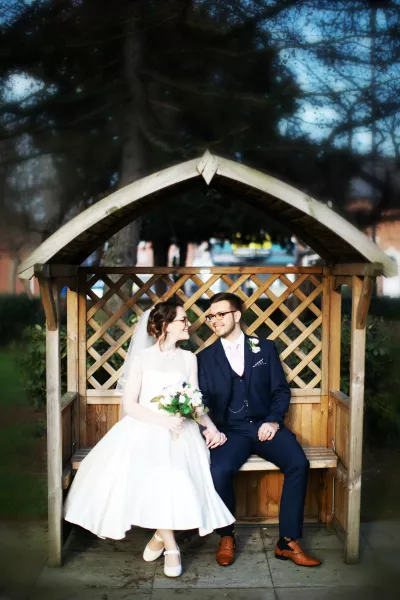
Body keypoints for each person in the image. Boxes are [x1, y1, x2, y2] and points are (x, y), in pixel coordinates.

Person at [64, 300, 234, 578]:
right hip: (145, 426)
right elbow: (130, 405)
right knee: (160, 476)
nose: (189, 324)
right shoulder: (142, 358)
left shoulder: (188, 358)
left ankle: (158, 534)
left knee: (184, 481)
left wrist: (211, 428)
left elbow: (194, 403)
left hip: (182, 430)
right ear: (166, 326)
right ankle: (171, 547)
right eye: (183, 320)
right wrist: (163, 421)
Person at [197, 292, 322, 568]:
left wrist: (273, 421)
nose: (214, 320)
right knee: (218, 470)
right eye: (211, 316)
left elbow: (280, 390)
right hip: (229, 431)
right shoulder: (204, 358)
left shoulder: (264, 348)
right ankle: (227, 535)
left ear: (236, 315)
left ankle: (287, 542)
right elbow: (200, 400)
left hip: (265, 425)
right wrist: (210, 429)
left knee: (298, 463)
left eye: (220, 314)